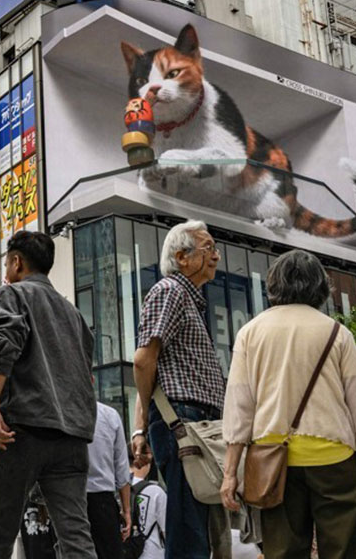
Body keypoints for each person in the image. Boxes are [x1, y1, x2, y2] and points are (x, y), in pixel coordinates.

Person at [220, 249, 356, 559]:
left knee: (282, 552)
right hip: (334, 460)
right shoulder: (338, 333)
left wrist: (230, 472)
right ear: (321, 287)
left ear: (273, 284)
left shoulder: (250, 333)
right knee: (343, 552)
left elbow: (239, 409)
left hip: (272, 461)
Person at [0, 231, 97, 559]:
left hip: (22, 429)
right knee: (75, 536)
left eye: (7, 263)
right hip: (72, 437)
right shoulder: (74, 315)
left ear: (16, 262)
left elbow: (5, 342)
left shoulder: (11, 295)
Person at [131, 221, 230, 558]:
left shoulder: (189, 298)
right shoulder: (170, 290)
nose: (216, 256)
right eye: (208, 248)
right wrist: (143, 426)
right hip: (182, 422)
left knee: (198, 525)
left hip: (194, 424)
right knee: (189, 529)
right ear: (182, 257)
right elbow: (144, 361)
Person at [86, 401, 131, 559]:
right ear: (92, 380)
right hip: (102, 500)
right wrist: (126, 510)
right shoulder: (109, 414)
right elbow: (122, 468)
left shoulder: (61, 410)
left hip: (69, 498)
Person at [126, 450, 165, 559]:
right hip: (152, 553)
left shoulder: (115, 487)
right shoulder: (155, 491)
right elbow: (167, 529)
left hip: (122, 551)